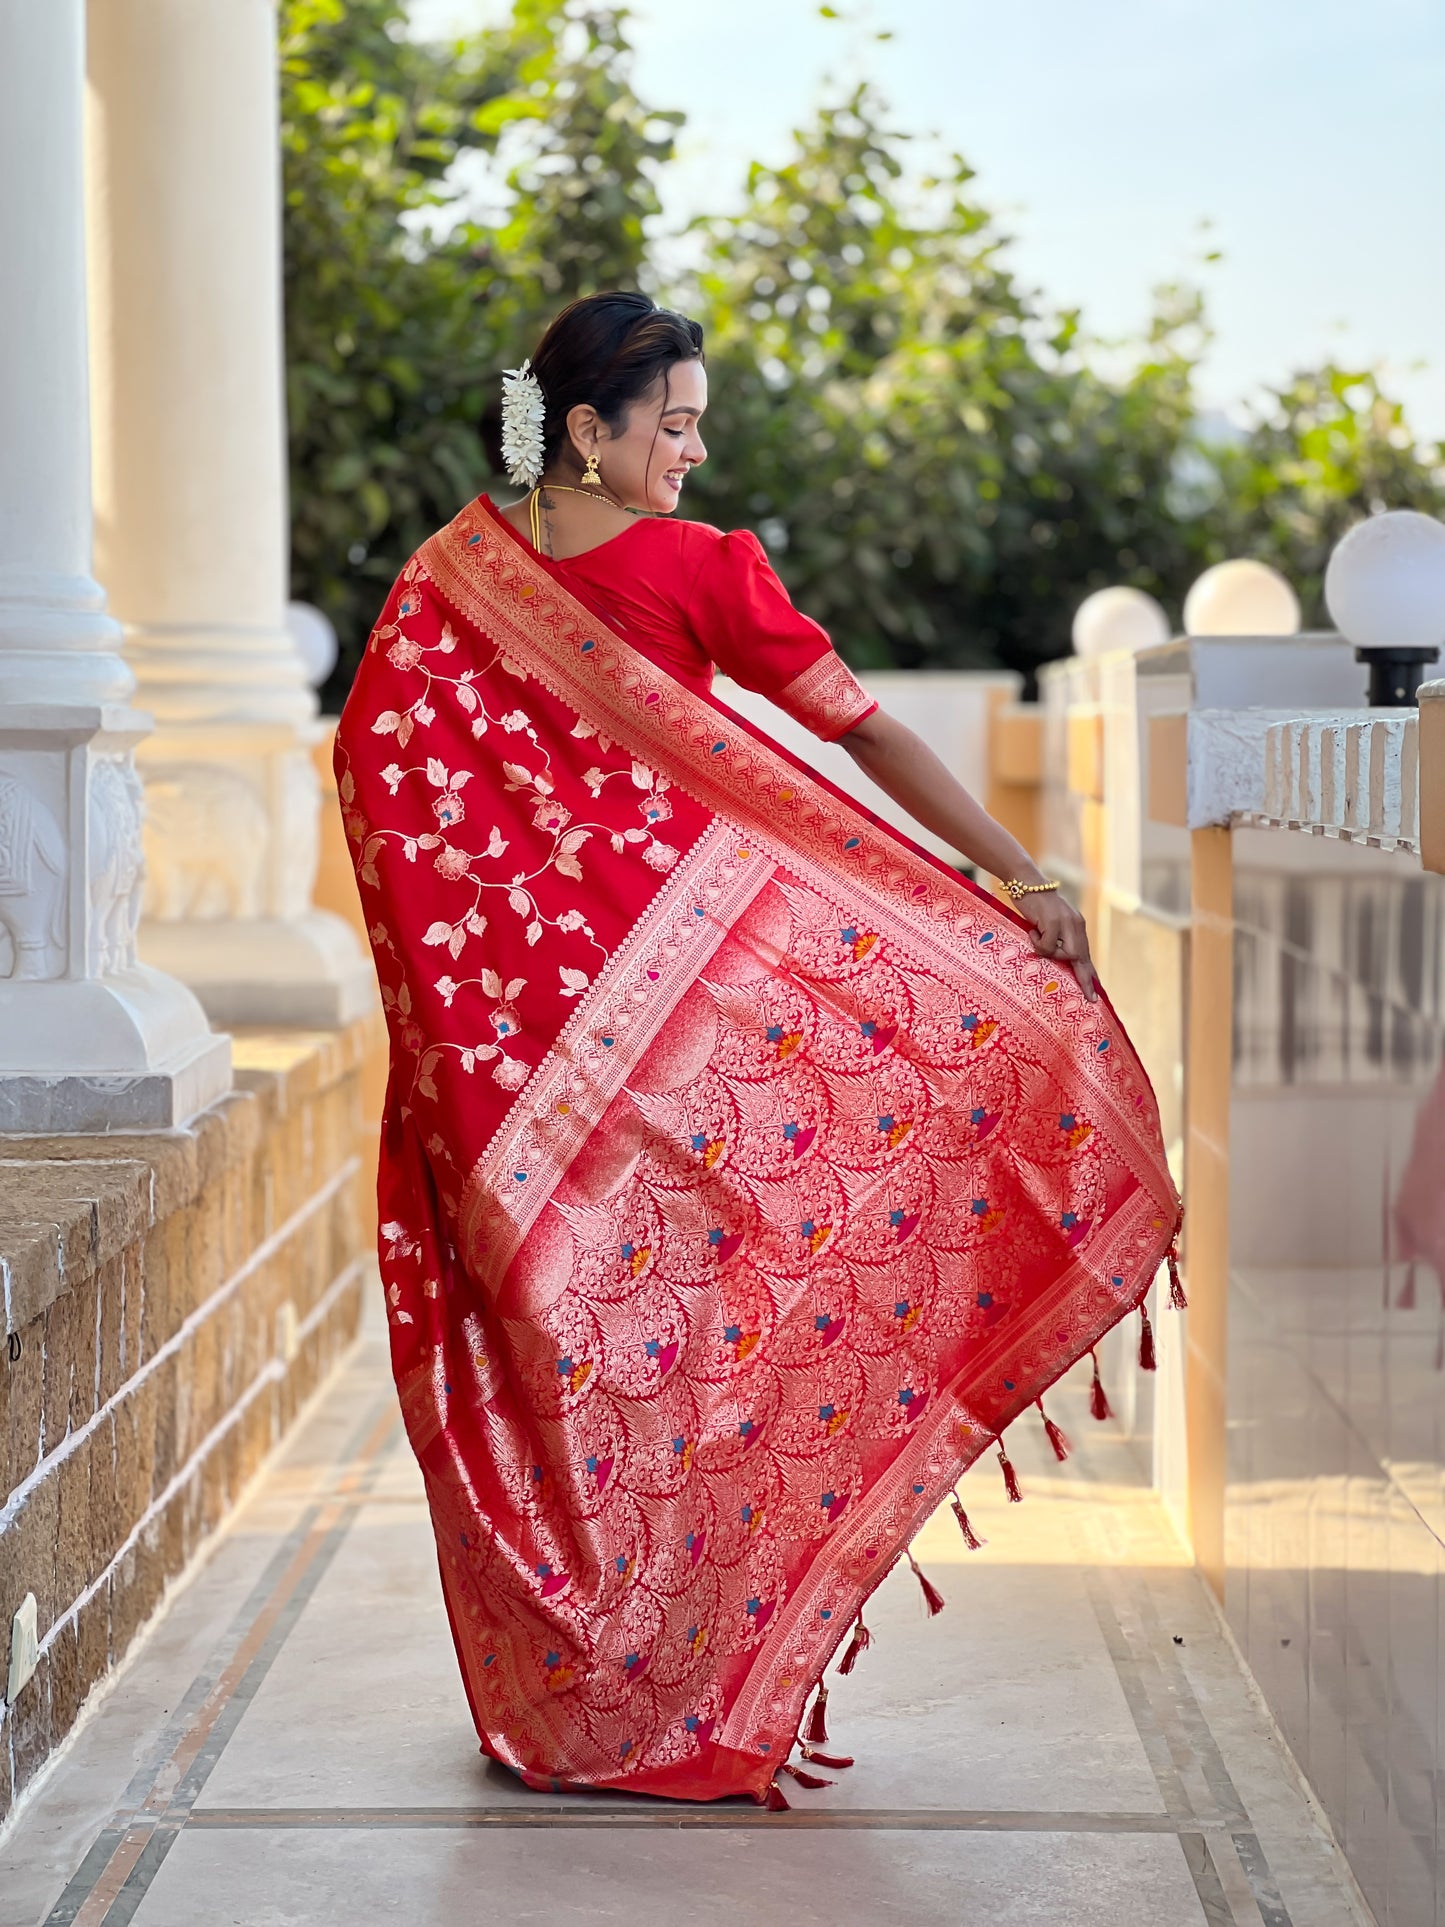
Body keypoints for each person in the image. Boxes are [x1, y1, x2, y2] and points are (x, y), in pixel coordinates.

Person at [335, 290, 1179, 1808]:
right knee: (656, 1355)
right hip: (618, 1052)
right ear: (585, 432)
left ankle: (605, 1694)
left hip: (533, 1069)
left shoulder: (450, 580)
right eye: (672, 423)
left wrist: (1010, 886)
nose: (692, 450)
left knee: (581, 1350)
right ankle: (639, 1690)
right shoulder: (541, 579)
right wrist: (1020, 877)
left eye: (698, 422)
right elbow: (866, 733)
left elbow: (383, 796)